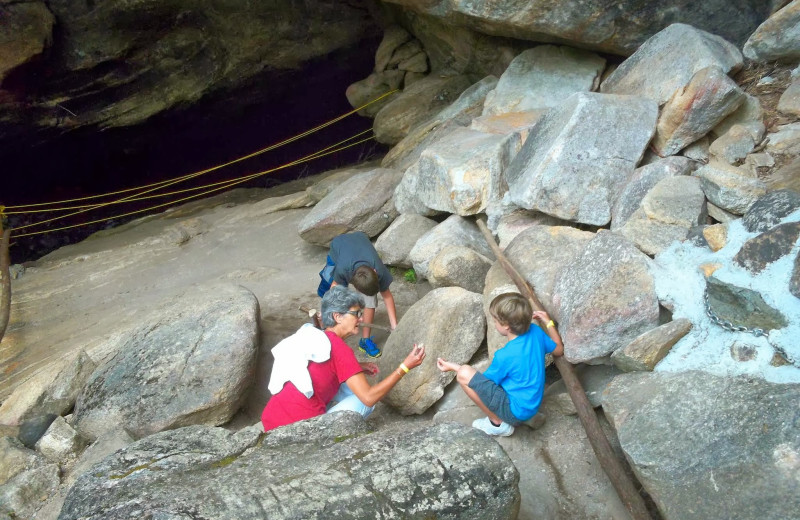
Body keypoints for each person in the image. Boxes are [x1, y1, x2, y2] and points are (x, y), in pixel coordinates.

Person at [262, 285, 425, 432]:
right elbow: (369, 398)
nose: (361, 319)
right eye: (356, 314)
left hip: (272, 419)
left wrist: (357, 366)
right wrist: (405, 367)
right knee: (366, 402)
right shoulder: (339, 348)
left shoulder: (314, 334)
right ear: (337, 317)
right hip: (301, 431)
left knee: (345, 384)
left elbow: (322, 364)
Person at [437, 292, 563, 437]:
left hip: (515, 411)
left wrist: (454, 367)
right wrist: (549, 322)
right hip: (532, 404)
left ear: (506, 326)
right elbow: (559, 350)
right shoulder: (536, 331)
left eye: (495, 321)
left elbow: (484, 384)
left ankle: (497, 423)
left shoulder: (505, 355)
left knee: (464, 374)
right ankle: (527, 417)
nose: (494, 323)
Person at [317, 231, 398, 358]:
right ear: (353, 283)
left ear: (375, 272)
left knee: (370, 298)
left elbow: (387, 296)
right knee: (328, 286)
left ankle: (365, 341)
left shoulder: (379, 270)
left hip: (360, 240)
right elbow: (334, 288)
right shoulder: (343, 269)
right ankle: (327, 329)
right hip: (339, 246)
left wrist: (395, 326)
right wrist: (326, 309)